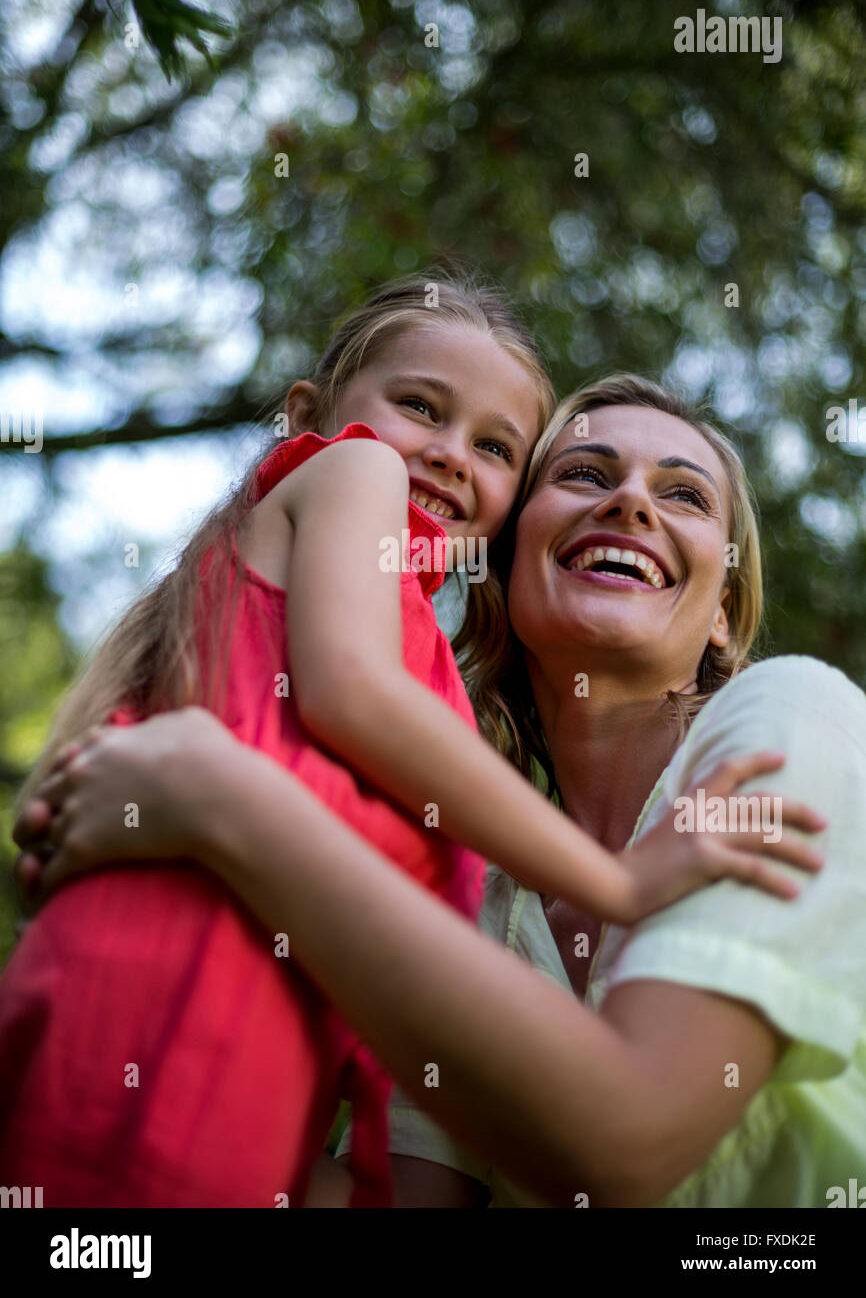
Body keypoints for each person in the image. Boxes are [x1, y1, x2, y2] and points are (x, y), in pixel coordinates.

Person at [11, 376, 847, 1208]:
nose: (631, 503)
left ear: (724, 616)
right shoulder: (477, 896)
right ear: (505, 560)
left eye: (684, 495)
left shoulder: (789, 718)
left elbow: (631, 1143)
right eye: (586, 475)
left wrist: (220, 799)